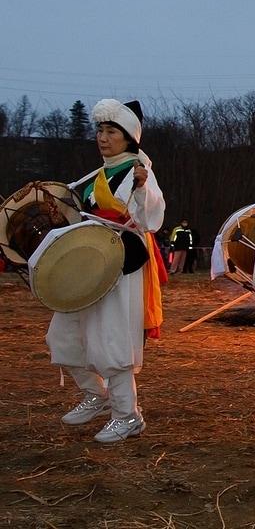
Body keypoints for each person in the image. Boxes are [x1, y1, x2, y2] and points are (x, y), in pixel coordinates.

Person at [47, 99, 165, 443]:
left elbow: (150, 219)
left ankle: (128, 415)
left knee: (112, 341)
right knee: (64, 335)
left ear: (129, 137)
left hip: (121, 263)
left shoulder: (138, 170)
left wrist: (143, 189)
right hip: (87, 265)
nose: (103, 136)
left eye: (111, 131)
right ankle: (97, 395)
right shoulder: (97, 174)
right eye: (100, 130)